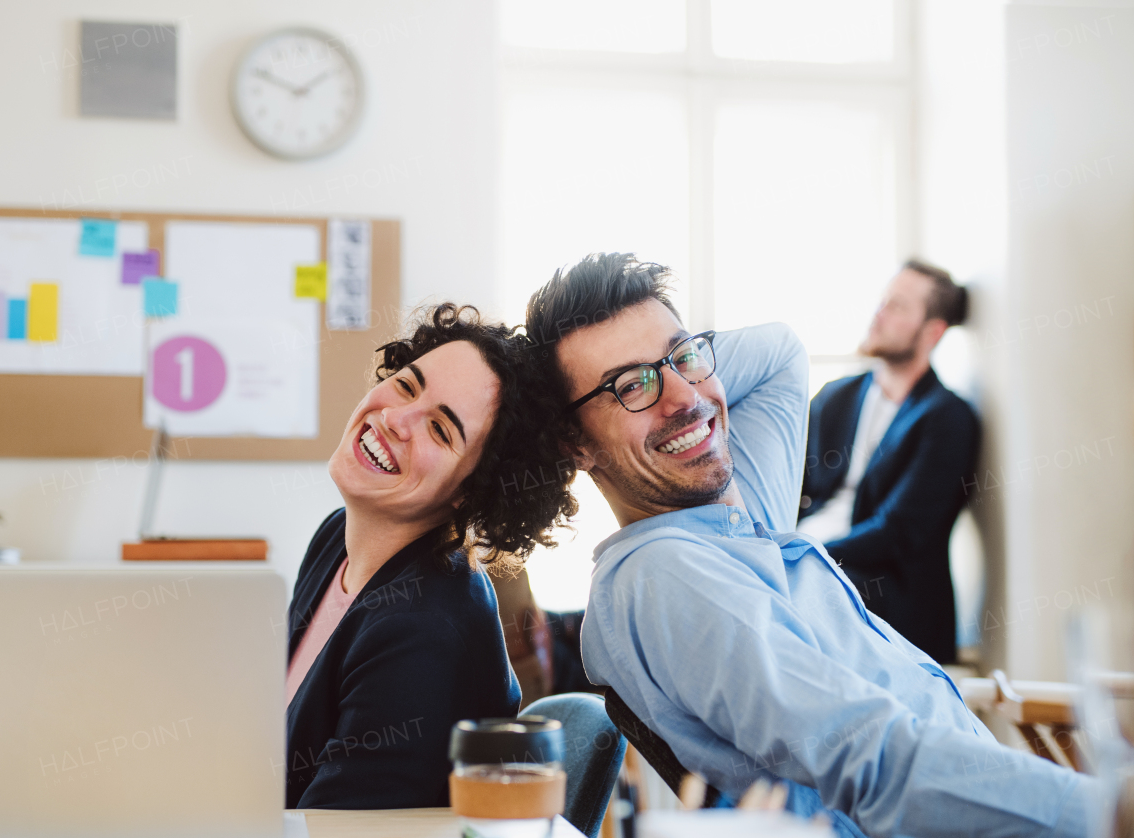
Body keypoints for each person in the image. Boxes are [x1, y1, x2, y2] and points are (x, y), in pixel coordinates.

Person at [524, 254, 1098, 838]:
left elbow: (779, 353)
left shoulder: (737, 515)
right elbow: (874, 759)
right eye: (631, 386)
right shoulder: (668, 574)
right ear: (574, 444)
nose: (684, 397)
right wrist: (1109, 812)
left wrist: (665, 369)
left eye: (686, 356)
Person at [285, 303, 575, 809]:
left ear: (471, 491)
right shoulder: (337, 539)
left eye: (440, 430)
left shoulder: (426, 631)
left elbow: (338, 828)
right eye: (406, 385)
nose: (396, 419)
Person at [798, 260, 979, 663]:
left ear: (932, 332)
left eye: (897, 307)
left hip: (886, 591)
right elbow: (792, 488)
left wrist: (807, 554)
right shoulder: (836, 397)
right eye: (882, 302)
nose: (879, 313)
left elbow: (898, 533)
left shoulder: (947, 417)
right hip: (811, 559)